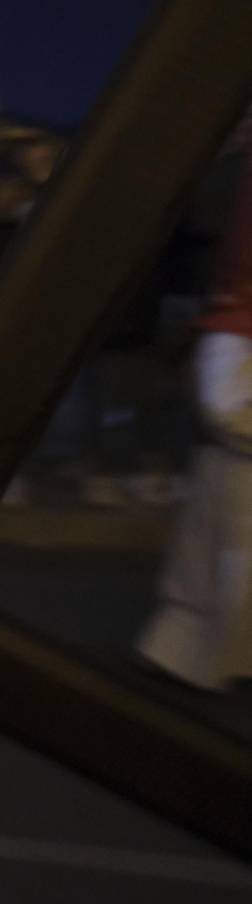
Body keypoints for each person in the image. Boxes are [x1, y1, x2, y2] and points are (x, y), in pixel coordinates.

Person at [135, 150, 252, 693]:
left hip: (232, 331)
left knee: (214, 537)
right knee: (229, 543)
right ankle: (202, 656)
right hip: (238, 335)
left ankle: (187, 651)